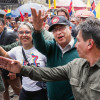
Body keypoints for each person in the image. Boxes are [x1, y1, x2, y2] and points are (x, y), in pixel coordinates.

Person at [0, 17, 100, 100]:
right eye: (54, 30)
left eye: (78, 40)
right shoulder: (76, 64)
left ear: (90, 43)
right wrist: (22, 69)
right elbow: (49, 73)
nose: (76, 45)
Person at [32, 8, 79, 100]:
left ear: (70, 29)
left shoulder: (80, 46)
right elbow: (39, 44)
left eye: (61, 28)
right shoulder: (51, 46)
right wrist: (37, 30)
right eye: (54, 30)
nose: (58, 32)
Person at [0, 17, 21, 100]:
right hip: (2, 69)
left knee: (19, 90)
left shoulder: (10, 34)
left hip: (11, 71)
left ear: (3, 25)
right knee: (4, 91)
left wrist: (13, 71)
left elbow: (16, 53)